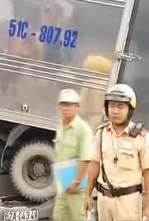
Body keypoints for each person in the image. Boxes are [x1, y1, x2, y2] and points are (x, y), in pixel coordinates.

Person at [85, 83, 149, 221]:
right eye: (111, 106)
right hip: (103, 200)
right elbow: (94, 165)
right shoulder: (101, 133)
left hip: (128, 203)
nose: (115, 111)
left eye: (120, 107)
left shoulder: (141, 137)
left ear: (129, 110)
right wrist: (87, 194)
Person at [53, 88, 93, 221]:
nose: (66, 108)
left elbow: (86, 159)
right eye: (63, 104)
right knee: (59, 217)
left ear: (77, 107)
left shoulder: (83, 129)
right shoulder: (61, 126)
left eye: (70, 104)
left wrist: (76, 183)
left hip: (77, 188)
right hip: (63, 186)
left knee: (77, 217)